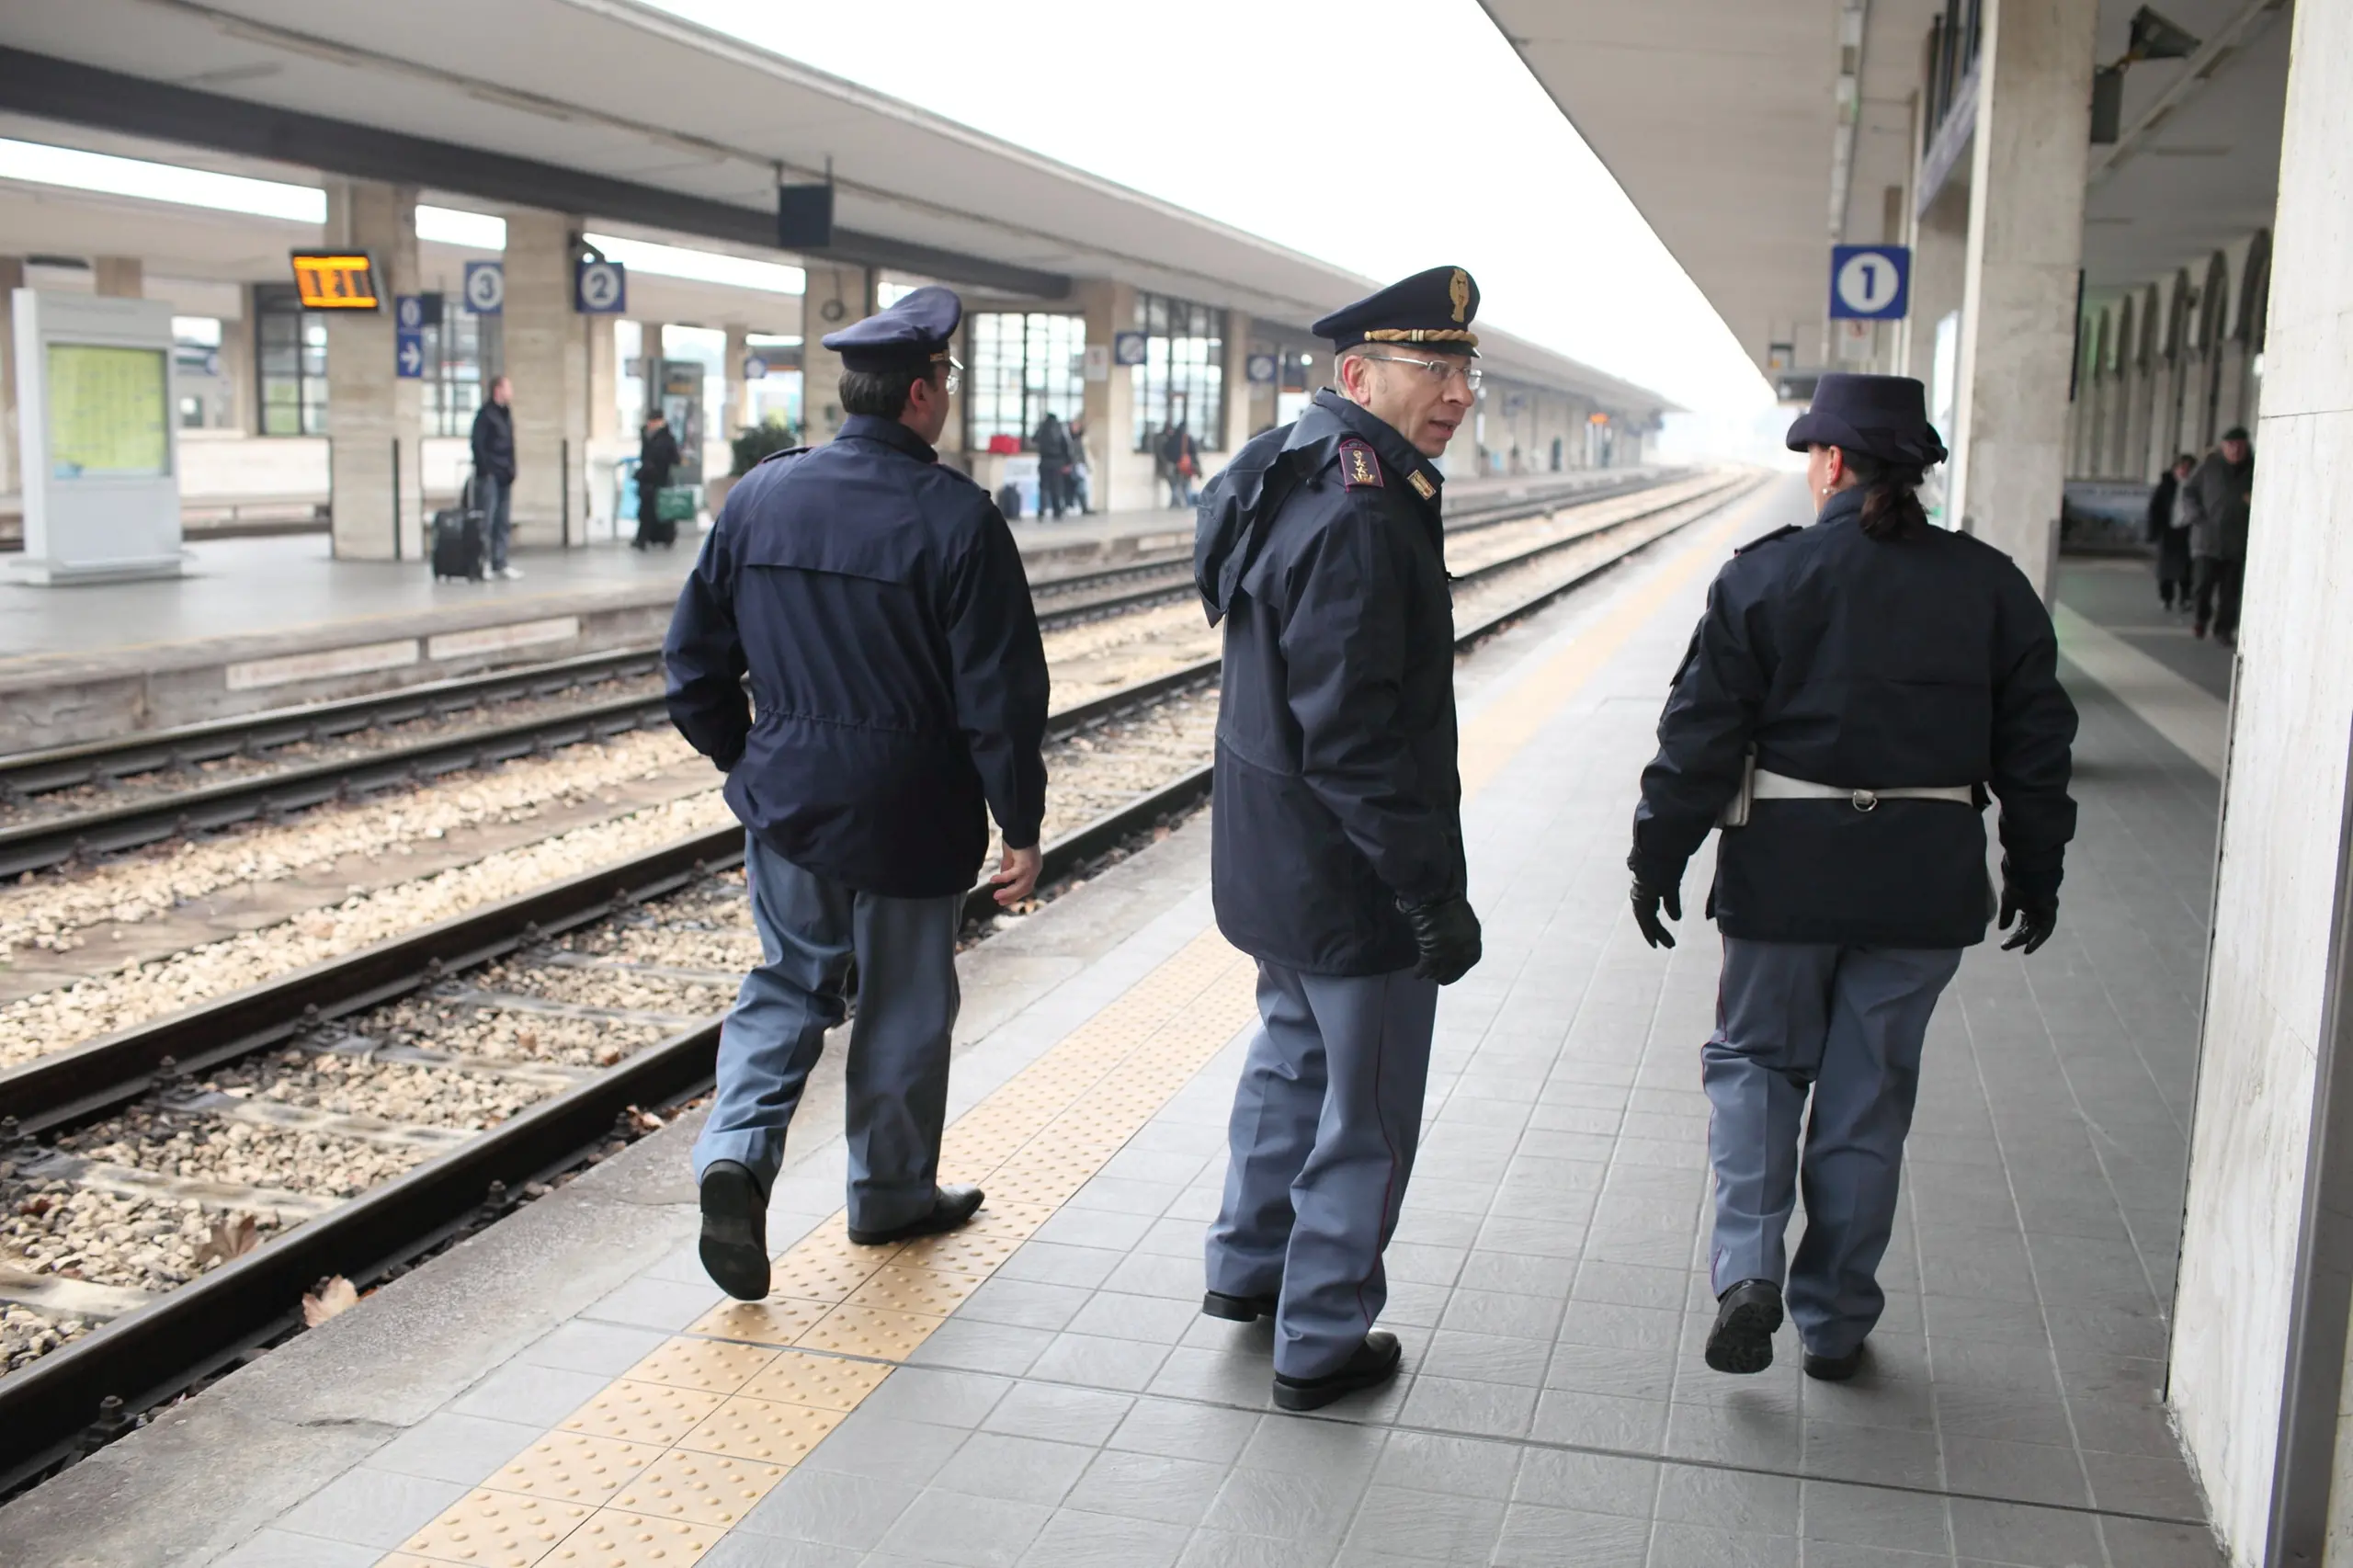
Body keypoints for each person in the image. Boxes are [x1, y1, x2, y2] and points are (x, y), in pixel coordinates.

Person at [1628, 372, 2077, 1383]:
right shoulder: (1990, 583)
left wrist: (1659, 851)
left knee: (1754, 1064)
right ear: (1916, 471)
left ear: (1827, 462)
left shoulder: (1764, 577)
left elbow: (1698, 735)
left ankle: (1748, 1270)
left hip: (1784, 878)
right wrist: (2034, 867)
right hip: (1923, 884)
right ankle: (1832, 1321)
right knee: (1868, 1097)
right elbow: (2037, 746)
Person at [663, 285, 1051, 1299]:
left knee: (788, 984)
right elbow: (1001, 696)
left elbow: (691, 663)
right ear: (922, 394)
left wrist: (745, 761)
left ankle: (735, 1155)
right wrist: (1021, 821)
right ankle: (886, 1194)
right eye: (949, 382)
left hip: (789, 803)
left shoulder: (757, 497)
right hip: (916, 814)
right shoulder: (961, 519)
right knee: (906, 1004)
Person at [1193, 265, 1485, 1413]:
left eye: (1465, 367)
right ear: (1359, 374)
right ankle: (1318, 1336)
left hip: (1273, 856)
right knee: (1360, 1108)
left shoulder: (1291, 464)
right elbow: (1356, 734)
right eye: (1434, 368)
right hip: (1349, 872)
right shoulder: (1369, 507)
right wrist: (1426, 890)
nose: (1456, 390)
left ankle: (1246, 1269)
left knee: (1287, 1063)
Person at [2179, 426, 2255, 643]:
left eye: (2240, 446)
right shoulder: (2209, 467)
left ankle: (2223, 630)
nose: (2236, 451)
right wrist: (2196, 515)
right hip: (2207, 538)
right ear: (2223, 447)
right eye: (2231, 446)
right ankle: (2201, 619)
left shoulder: (2255, 468)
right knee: (2202, 586)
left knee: (2230, 591)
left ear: (2246, 446)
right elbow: (2188, 492)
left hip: (2237, 540)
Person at [468, 375, 519, 580]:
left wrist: (513, 469)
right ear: (498, 389)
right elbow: (477, 445)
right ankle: (484, 562)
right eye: (508, 387)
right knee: (486, 521)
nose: (511, 392)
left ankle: (501, 562)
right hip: (490, 476)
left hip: (505, 475)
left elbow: (510, 445)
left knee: (502, 521)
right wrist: (487, 469)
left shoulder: (506, 414)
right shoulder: (485, 415)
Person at [2150, 452, 2196, 610]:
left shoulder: (2196, 486)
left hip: (2188, 530)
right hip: (2168, 530)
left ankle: (2185, 598)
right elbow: (2154, 509)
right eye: (2181, 468)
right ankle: (2166, 597)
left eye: (2188, 469)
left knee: (2187, 568)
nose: (2184, 472)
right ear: (2175, 469)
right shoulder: (2166, 486)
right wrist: (2153, 532)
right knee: (2165, 569)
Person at [633, 410, 682, 551]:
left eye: (654, 421)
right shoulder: (646, 435)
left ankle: (664, 538)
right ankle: (642, 539)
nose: (651, 425)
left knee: (662, 510)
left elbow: (675, 458)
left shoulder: (667, 438)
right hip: (647, 478)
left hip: (661, 478)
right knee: (646, 510)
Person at [1033, 412, 1074, 519]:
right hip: (1057, 462)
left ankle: (1041, 511)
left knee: (1044, 487)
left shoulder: (1042, 429)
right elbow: (1066, 447)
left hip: (1044, 461)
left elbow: (1034, 440)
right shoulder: (1060, 430)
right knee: (1056, 487)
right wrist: (1068, 462)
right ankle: (1057, 511)